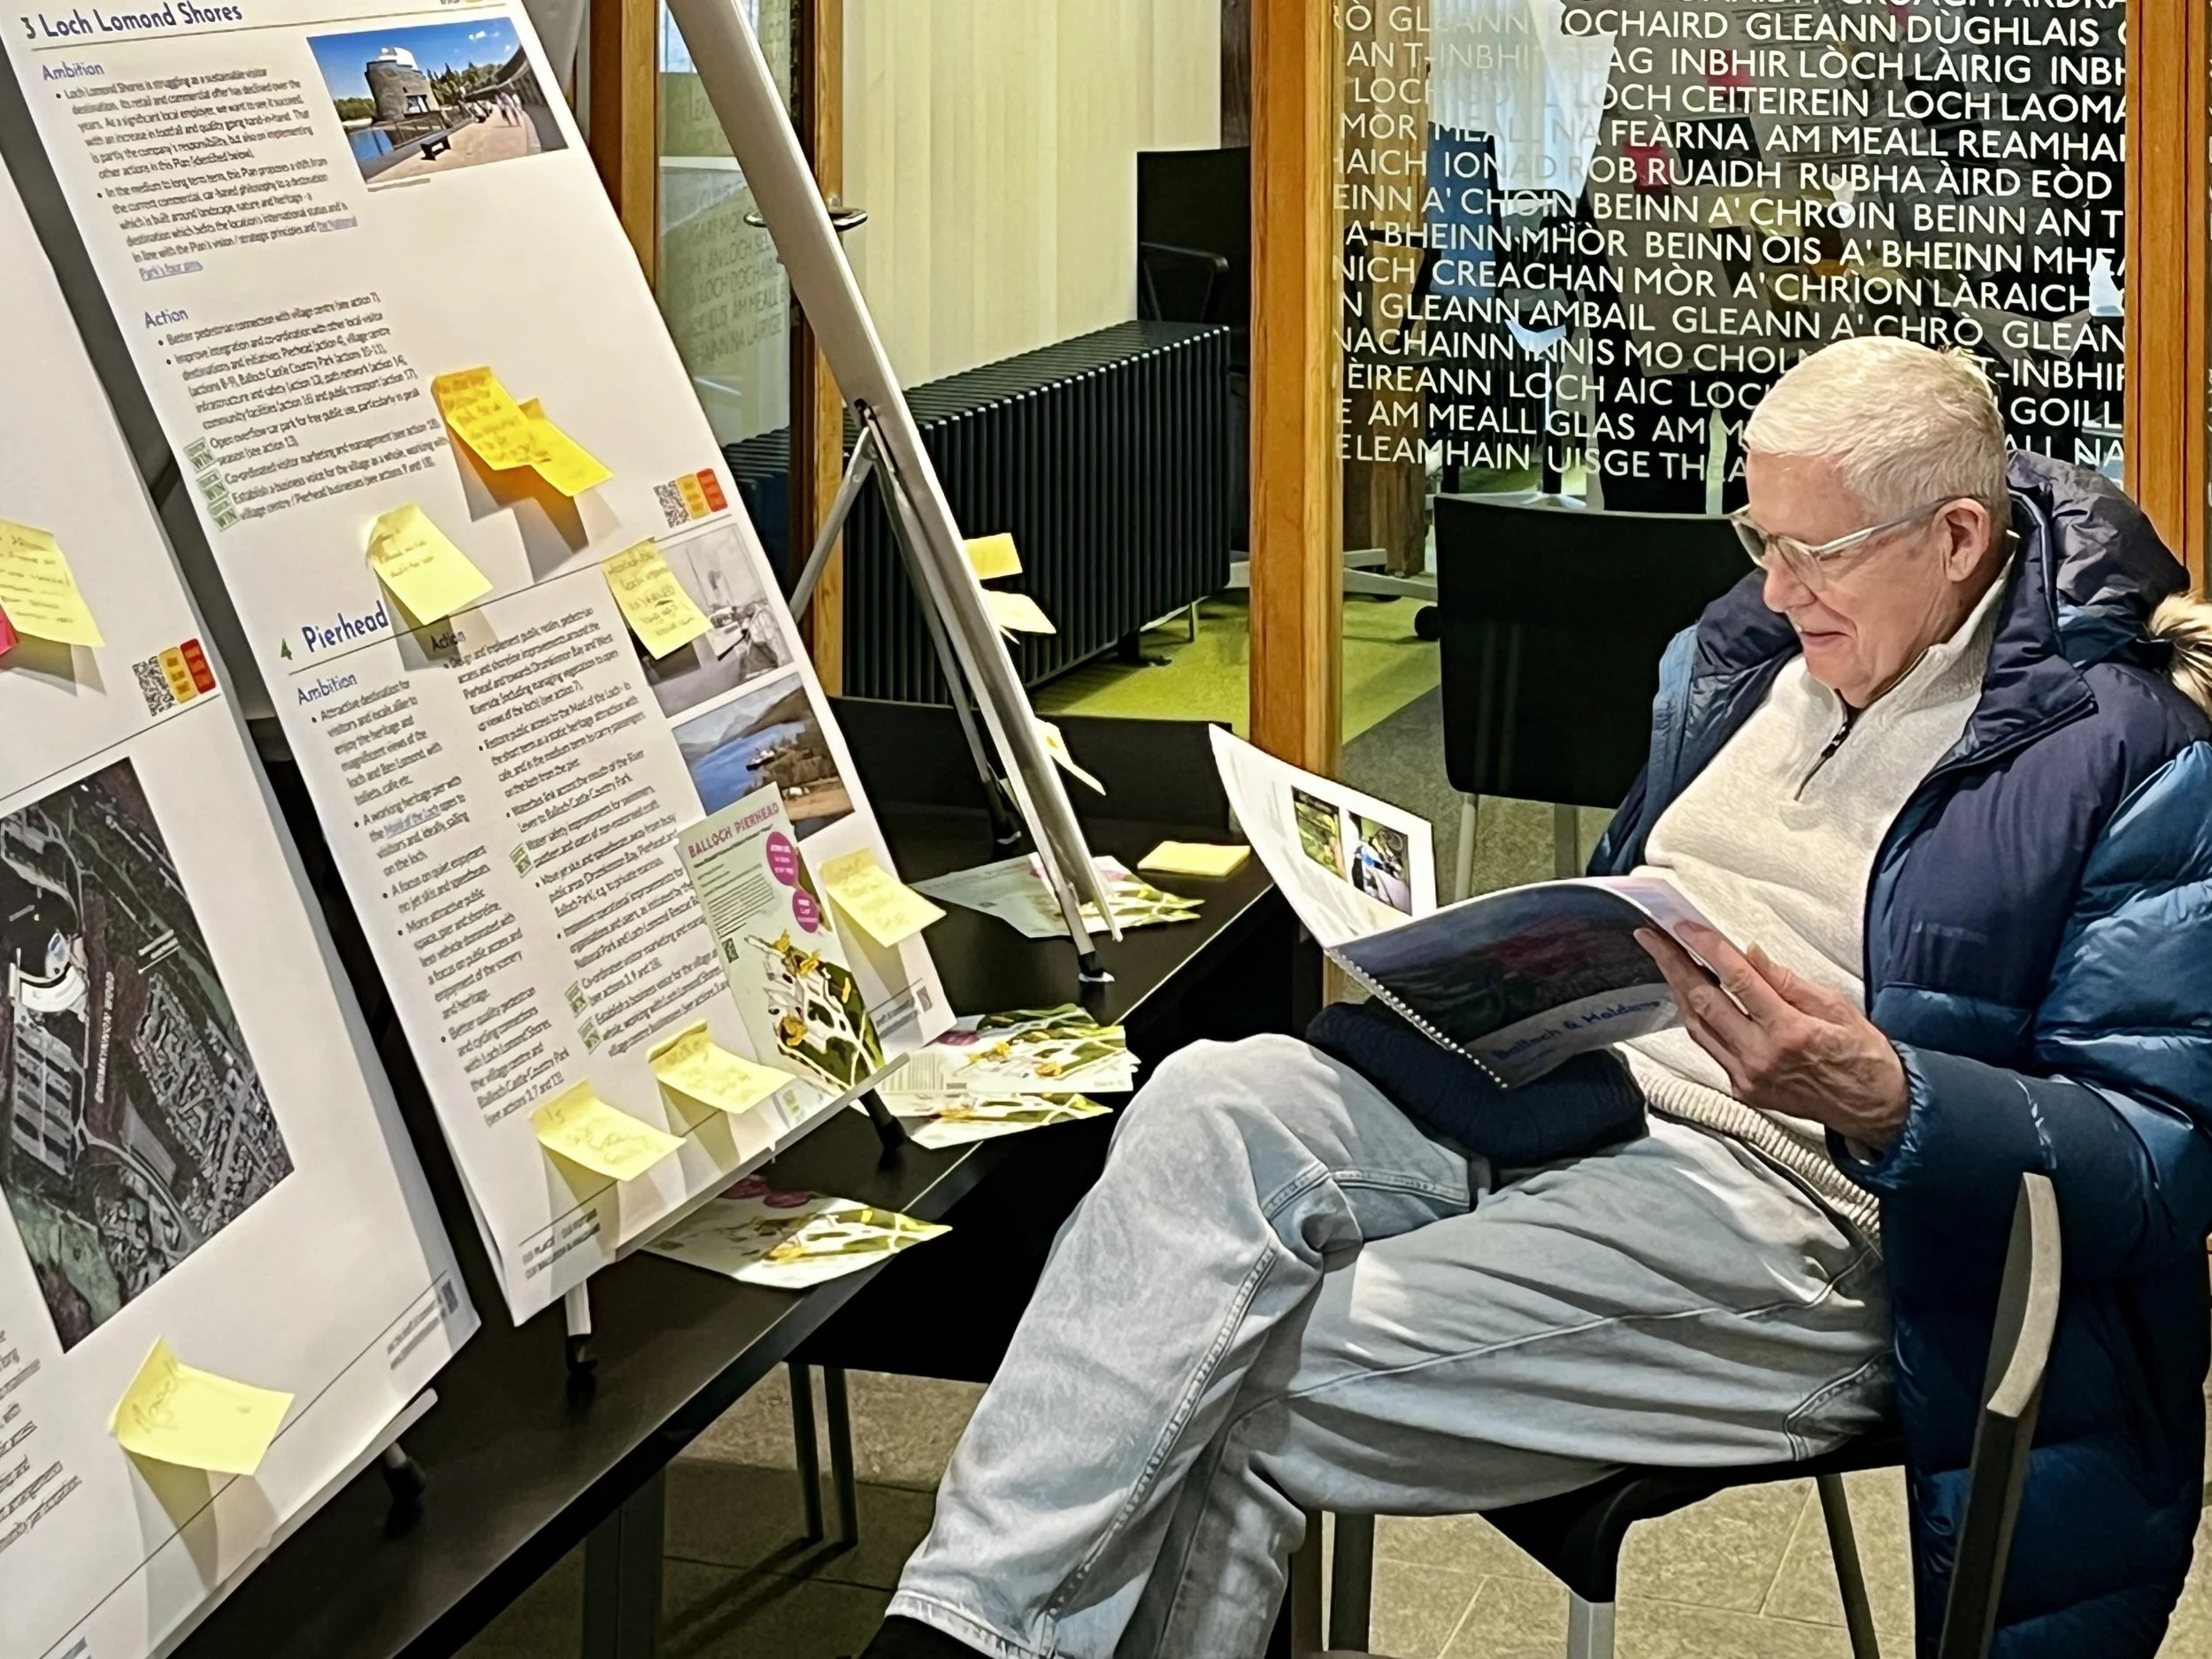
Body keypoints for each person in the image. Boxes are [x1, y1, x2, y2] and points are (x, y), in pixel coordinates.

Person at [855, 338, 2212, 1659]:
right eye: (1759, 537)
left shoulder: (2127, 751)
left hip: (1816, 1210)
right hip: (1581, 1092)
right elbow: (1646, 883)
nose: (1777, 586)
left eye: (1817, 552)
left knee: (1216, 1373)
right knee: (1213, 1094)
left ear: (1959, 538)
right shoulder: (1756, 647)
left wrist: (1891, 1095)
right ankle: (955, 1631)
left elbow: (2159, 1159)